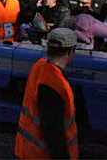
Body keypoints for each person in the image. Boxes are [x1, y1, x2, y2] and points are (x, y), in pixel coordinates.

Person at [15, 28, 79, 160]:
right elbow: (53, 132)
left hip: (26, 150)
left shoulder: (39, 66)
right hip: (41, 155)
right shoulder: (56, 84)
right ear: (71, 51)